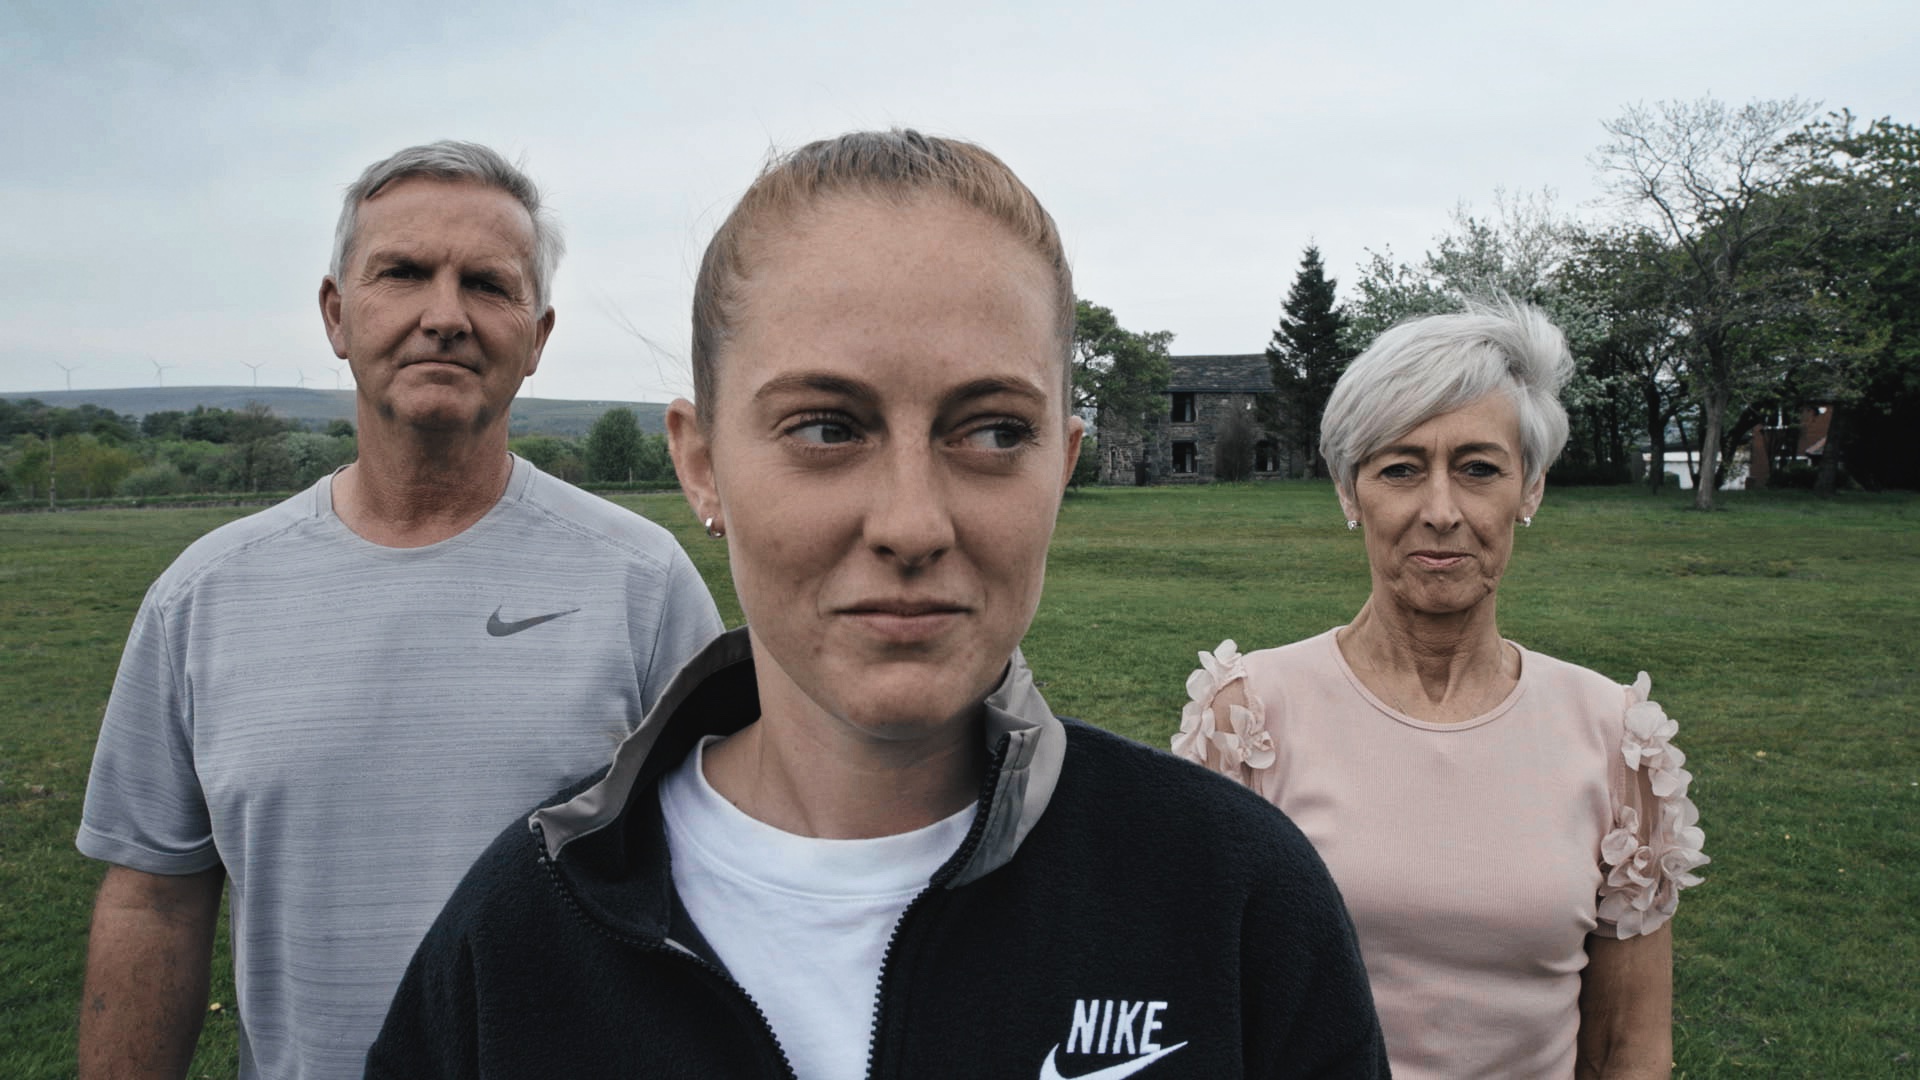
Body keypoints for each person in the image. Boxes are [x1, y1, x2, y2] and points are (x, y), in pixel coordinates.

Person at [366, 129, 1387, 1079]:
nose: (912, 523)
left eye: (991, 433)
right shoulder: (522, 938)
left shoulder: (1229, 899)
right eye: (825, 428)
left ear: (1061, 468)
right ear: (702, 464)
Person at [74, 140, 723, 1080]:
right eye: (405, 273)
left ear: (537, 337)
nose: (445, 316)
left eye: (488, 285)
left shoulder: (643, 581)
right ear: (339, 314)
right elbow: (152, 900)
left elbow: (719, 883)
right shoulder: (202, 597)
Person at [1174, 301, 1710, 1079]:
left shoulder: (1618, 736)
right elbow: (1202, 1012)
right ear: (1349, 494)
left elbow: (1627, 1048)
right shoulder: (1249, 714)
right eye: (1400, 468)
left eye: (1479, 468)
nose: (1440, 511)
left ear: (1530, 491)